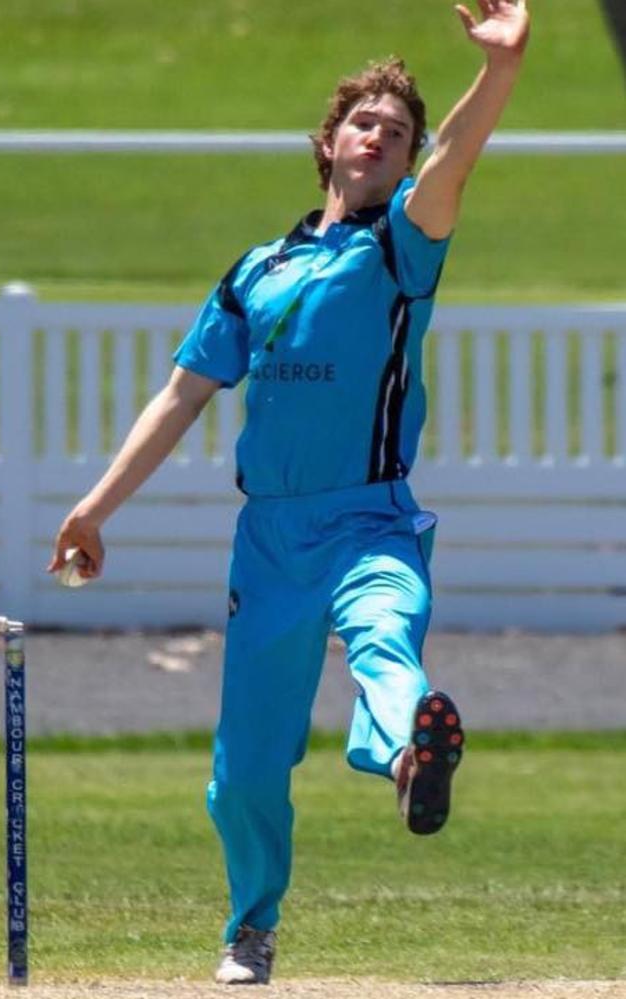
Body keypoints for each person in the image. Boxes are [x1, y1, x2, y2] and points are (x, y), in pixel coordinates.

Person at [49, 0, 530, 985]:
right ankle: (250, 926)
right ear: (329, 143)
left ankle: (409, 761)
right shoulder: (255, 272)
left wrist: (498, 72)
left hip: (369, 520)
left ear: (405, 163)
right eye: (366, 124)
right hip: (269, 543)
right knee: (244, 774)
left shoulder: (403, 243)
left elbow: (456, 164)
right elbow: (181, 396)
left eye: (398, 135)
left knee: (386, 644)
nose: (381, 139)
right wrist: (94, 509)